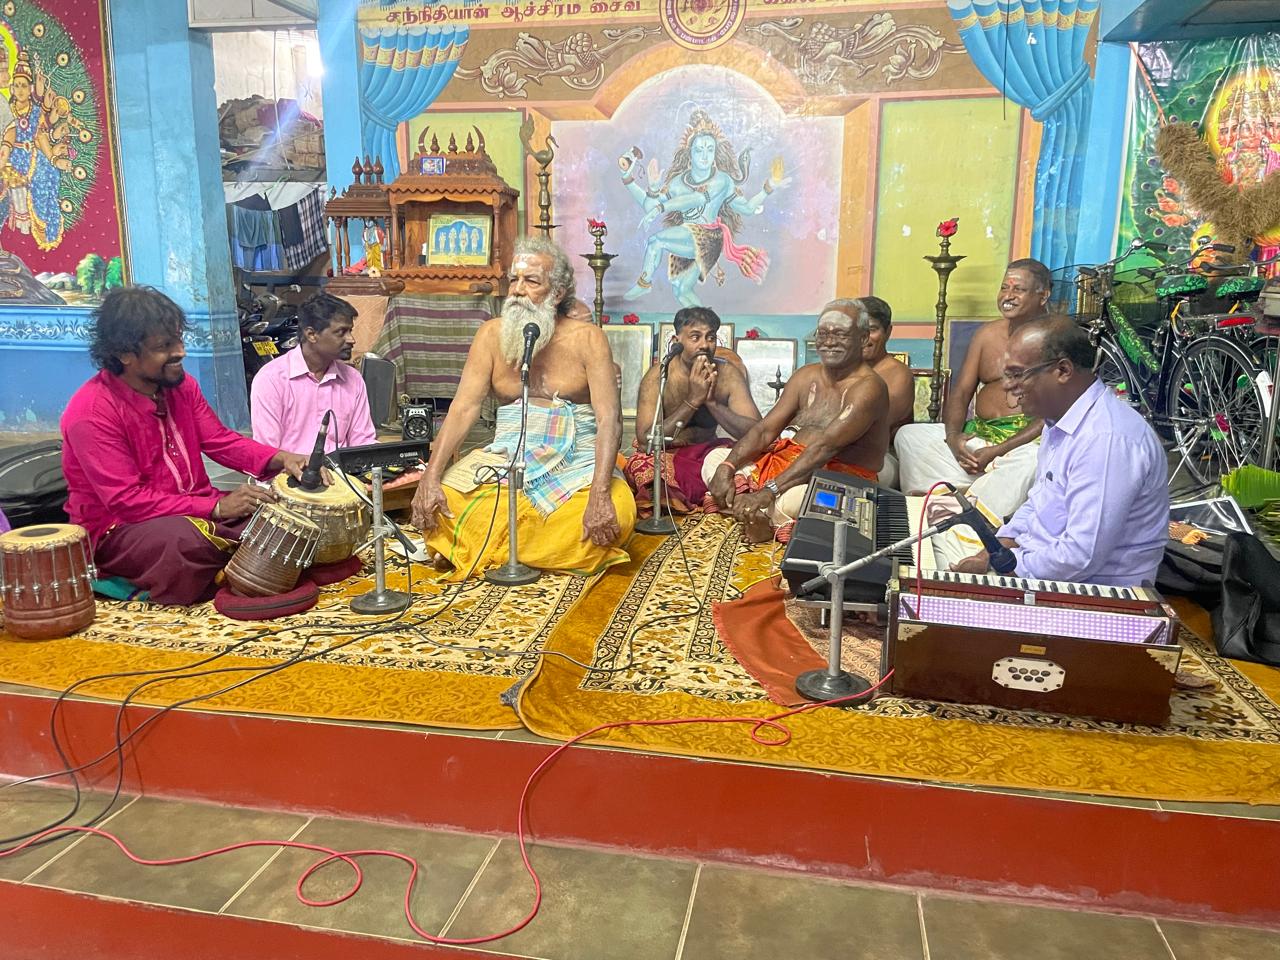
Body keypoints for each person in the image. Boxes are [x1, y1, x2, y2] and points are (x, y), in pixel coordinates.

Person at [60, 287, 314, 605]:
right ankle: (168, 579)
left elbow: (219, 441)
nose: (180, 352)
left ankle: (227, 569)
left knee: (280, 519)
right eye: (164, 346)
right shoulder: (91, 411)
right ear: (125, 354)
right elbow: (127, 501)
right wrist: (216, 509)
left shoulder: (180, 387)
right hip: (121, 530)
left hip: (195, 509)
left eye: (179, 340)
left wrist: (282, 458)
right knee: (184, 541)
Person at [410, 237, 636, 578]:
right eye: (514, 280)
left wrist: (600, 493)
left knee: (617, 511)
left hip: (577, 461)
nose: (517, 290)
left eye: (531, 281)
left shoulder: (588, 339)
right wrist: (430, 477)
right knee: (446, 501)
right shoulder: (490, 336)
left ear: (557, 293)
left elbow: (609, 420)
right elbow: (463, 408)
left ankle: (488, 547)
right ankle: (540, 549)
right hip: (508, 457)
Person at [948, 317, 1168, 584]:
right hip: (1039, 569)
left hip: (1090, 594)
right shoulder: (1059, 423)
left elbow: (1079, 558)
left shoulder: (1105, 439)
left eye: (1017, 374)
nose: (1006, 385)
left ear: (1063, 370)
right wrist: (992, 552)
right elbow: (1038, 505)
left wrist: (1003, 569)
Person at [706, 299, 889, 542]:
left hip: (839, 481)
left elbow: (824, 448)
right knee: (715, 459)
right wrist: (727, 467)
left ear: (863, 338)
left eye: (840, 334)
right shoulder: (806, 376)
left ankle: (762, 514)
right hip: (787, 469)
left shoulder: (869, 388)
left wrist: (768, 491)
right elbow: (765, 430)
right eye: (823, 333)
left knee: (798, 500)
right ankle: (760, 512)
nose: (829, 341)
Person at [894, 259, 1052, 521]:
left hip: (1024, 445)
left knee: (1035, 461)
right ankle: (957, 499)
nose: (1008, 296)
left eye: (1018, 290)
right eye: (1004, 288)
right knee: (909, 436)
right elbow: (961, 392)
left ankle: (967, 509)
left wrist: (998, 451)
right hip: (980, 438)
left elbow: (1051, 416)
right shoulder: (987, 335)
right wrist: (954, 439)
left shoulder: (1057, 337)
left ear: (1043, 295)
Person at [623, 306, 761, 514]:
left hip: (710, 452)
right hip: (667, 455)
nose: (704, 345)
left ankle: (714, 497)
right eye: (695, 337)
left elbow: (756, 432)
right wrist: (692, 401)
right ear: (677, 340)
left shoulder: (727, 374)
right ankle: (711, 499)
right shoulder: (658, 376)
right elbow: (645, 440)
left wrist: (712, 403)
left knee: (750, 465)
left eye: (710, 338)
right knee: (643, 468)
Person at [250, 292, 377, 453]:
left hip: (342, 469)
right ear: (311, 335)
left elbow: (362, 442)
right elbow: (267, 452)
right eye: (341, 332)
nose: (351, 339)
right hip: (289, 469)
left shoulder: (353, 379)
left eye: (350, 331)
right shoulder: (271, 379)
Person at [859, 295, 913, 489]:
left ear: (888, 332)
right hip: (832, 449)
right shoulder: (840, 370)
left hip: (881, 457)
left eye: (872, 329)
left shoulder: (899, 374)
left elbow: (869, 426)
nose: (864, 337)